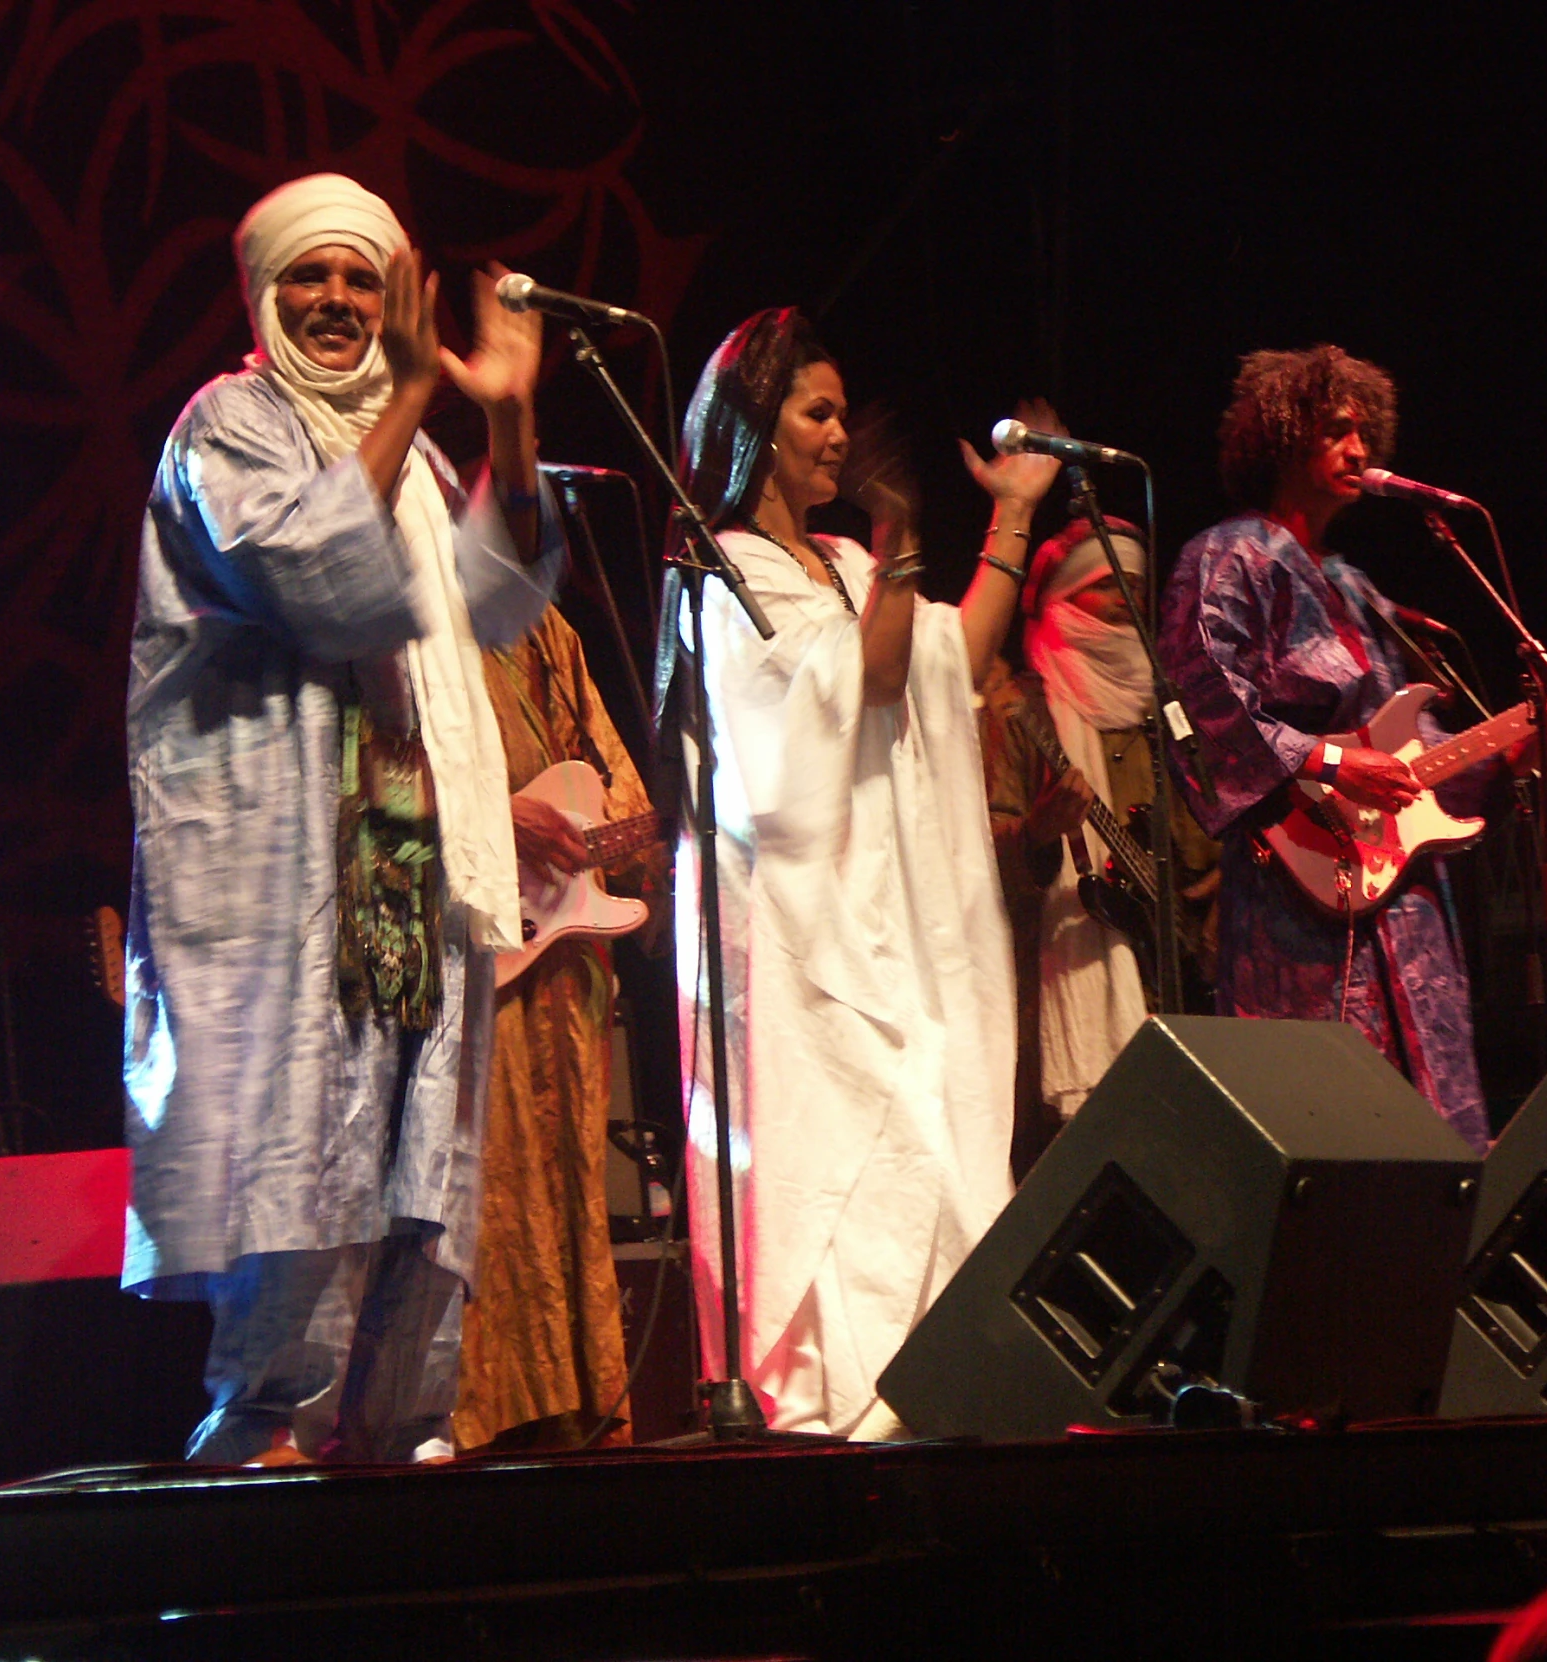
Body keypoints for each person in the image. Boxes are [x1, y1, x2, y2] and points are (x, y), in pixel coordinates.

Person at [122, 173, 561, 1464]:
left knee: (423, 1204)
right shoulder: (229, 427)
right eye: (310, 277)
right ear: (264, 293)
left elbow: (501, 601)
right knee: (306, 1194)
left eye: (359, 279)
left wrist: (512, 421)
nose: (334, 301)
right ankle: (258, 1508)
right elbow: (309, 571)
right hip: (292, 888)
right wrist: (422, 385)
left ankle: (394, 1459)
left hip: (419, 876)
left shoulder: (415, 458)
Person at [656, 307, 1059, 1435]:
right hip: (796, 933)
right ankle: (829, 1407)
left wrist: (1010, 520)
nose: (837, 435)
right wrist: (899, 542)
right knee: (834, 1150)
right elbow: (866, 683)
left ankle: (924, 1392)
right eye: (815, 412)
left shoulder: (839, 561)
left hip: (889, 922)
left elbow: (947, 659)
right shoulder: (722, 571)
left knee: (929, 1124)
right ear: (753, 424)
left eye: (841, 413)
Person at [1159, 345, 1499, 1152]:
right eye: (1335, 431)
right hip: (1299, 901)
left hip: (1400, 898)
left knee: (1434, 1143)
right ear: (1283, 436)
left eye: (1363, 432)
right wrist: (1336, 763)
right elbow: (1204, 707)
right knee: (1334, 1136)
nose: (1359, 450)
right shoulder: (1228, 555)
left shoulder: (1355, 587)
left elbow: (1412, 744)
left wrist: (1520, 742)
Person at [455, 605, 666, 1452]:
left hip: (566, 975)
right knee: (485, 1192)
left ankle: (579, 1410)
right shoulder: (410, 618)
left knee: (569, 1186)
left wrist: (644, 839)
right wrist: (491, 816)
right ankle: (476, 1420)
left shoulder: (553, 632)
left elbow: (625, 797)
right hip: (467, 959)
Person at [980, 520, 1220, 1173]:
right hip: (1059, 978)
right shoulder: (1020, 708)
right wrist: (1037, 830)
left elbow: (1212, 833)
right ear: (1061, 599)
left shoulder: (1163, 710)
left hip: (1177, 984)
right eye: (1104, 585)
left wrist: (1230, 882)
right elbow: (978, 852)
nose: (1124, 601)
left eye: (1135, 587)